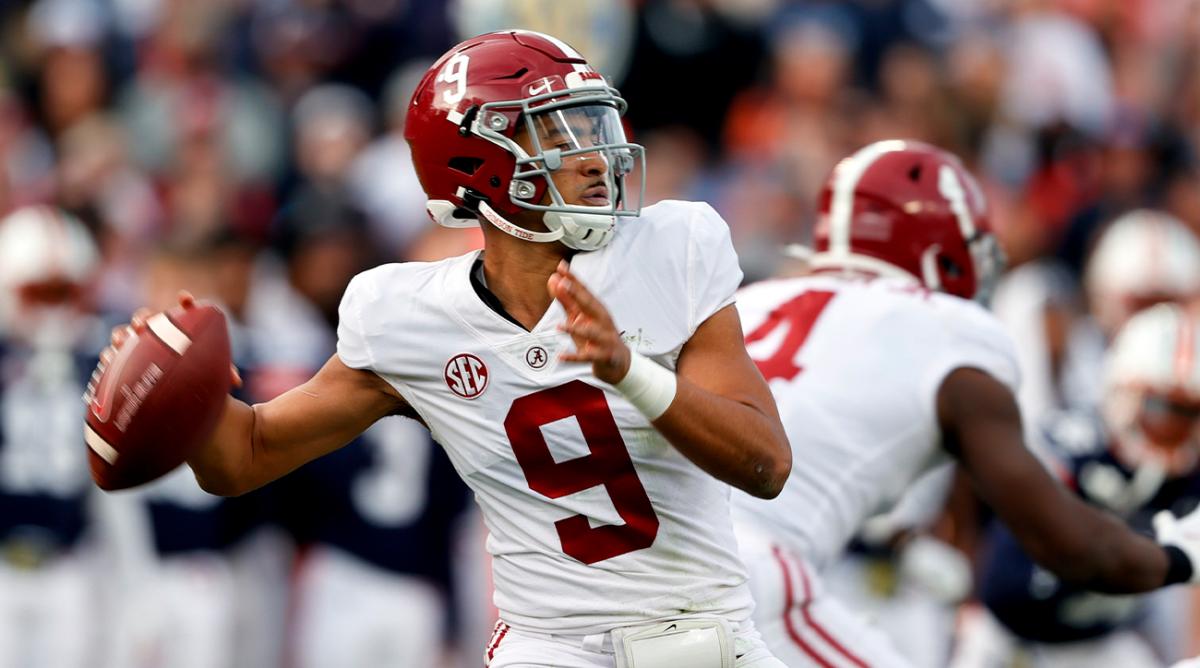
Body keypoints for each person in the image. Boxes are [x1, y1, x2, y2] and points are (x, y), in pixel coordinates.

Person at [103, 30, 792, 668]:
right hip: (551, 647)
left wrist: (630, 372)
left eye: (591, 123)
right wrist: (182, 390)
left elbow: (764, 463)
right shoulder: (408, 317)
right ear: (478, 162)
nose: (593, 154)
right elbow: (244, 457)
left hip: (708, 630)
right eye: (559, 131)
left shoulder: (674, 245)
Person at [728, 139, 1200, 667]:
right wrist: (1177, 553)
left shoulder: (749, 301)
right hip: (751, 572)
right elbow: (1068, 547)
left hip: (642, 554)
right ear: (935, 246)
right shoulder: (951, 332)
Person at [953, 302, 1200, 668]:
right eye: (1162, 409)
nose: (1173, 428)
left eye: (1190, 413)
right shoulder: (1073, 447)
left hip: (1099, 644)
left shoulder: (1186, 474)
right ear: (1124, 393)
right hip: (1009, 639)